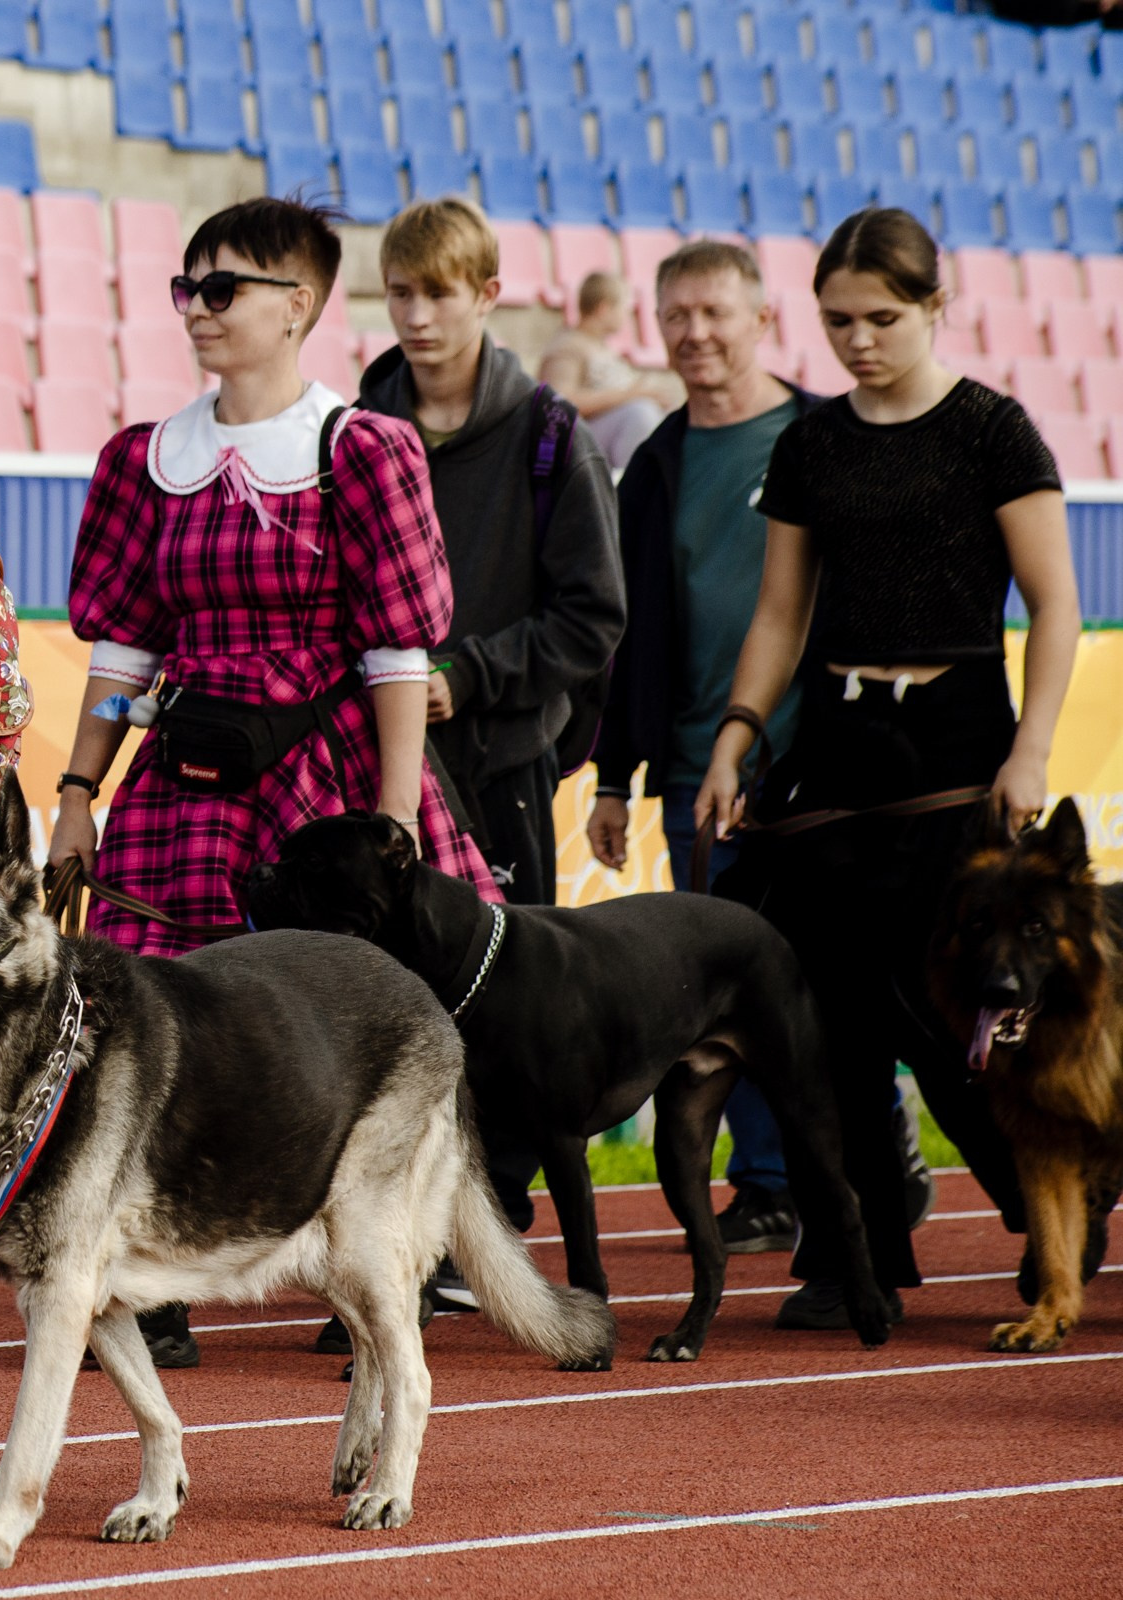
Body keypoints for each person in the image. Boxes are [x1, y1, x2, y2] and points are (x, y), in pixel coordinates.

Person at [47, 196, 493, 1367]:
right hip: (186, 766)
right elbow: (123, 650)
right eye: (188, 288)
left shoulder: (363, 449)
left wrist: (394, 821)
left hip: (323, 771)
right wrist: (79, 791)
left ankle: (382, 1268)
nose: (198, 308)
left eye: (223, 287)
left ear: (299, 304)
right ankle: (155, 1274)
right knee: (145, 1007)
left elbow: (399, 654)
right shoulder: (142, 458)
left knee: (335, 1010)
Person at [695, 207, 1079, 1330]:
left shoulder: (995, 431)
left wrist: (1032, 749)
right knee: (831, 1011)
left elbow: (1055, 603)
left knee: (948, 1003)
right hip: (837, 745)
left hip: (963, 743)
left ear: (934, 307)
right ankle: (858, 1256)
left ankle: (1048, 1208)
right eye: (836, 321)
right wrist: (738, 737)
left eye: (880, 318)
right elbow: (779, 611)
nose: (857, 340)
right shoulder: (810, 443)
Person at [589, 240, 936, 1259]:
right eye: (677, 316)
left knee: (833, 985)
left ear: (762, 322)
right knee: (719, 990)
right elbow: (630, 634)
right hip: (697, 775)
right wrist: (616, 774)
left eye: (716, 313)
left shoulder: (826, 435)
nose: (696, 333)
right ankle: (772, 1184)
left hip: (826, 772)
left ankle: (882, 1160)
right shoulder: (653, 462)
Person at [357, 196, 626, 1254]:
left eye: (440, 293)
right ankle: (397, 1226)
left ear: (487, 295)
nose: (419, 316)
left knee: (505, 1008)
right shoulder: (352, 423)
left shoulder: (554, 435)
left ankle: (494, 1218)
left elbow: (594, 617)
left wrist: (465, 676)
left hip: (500, 757)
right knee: (387, 997)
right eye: (401, 293)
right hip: (376, 762)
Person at [537, 270, 670, 472]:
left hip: (604, 439)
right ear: (604, 309)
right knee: (640, 413)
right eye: (623, 309)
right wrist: (632, 395)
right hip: (577, 447)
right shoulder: (567, 346)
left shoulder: (602, 347)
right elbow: (559, 403)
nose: (626, 316)